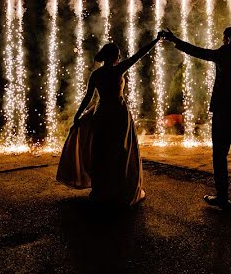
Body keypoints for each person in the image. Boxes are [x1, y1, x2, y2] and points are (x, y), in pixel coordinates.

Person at [160, 27, 231, 212]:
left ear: (228, 39)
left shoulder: (223, 55)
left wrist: (174, 39)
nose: (223, 41)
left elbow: (197, 51)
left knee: (219, 155)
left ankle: (222, 196)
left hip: (223, 113)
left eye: (224, 38)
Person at [56, 33, 163, 206]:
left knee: (101, 152)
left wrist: (78, 115)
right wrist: (156, 40)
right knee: (120, 152)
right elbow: (140, 54)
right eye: (118, 54)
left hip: (101, 113)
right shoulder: (118, 70)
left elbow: (88, 97)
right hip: (118, 114)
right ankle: (119, 190)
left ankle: (101, 191)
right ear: (114, 57)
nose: (120, 57)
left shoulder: (96, 74)